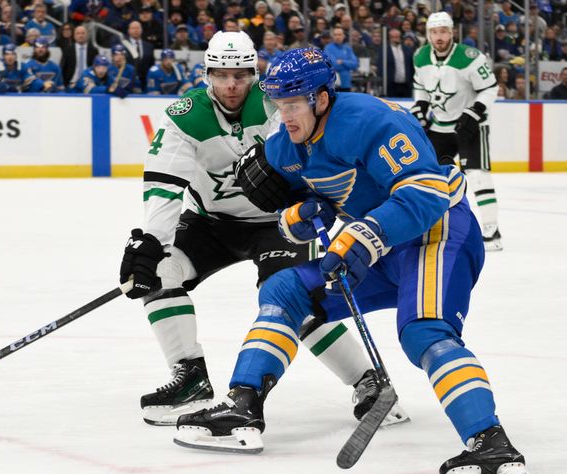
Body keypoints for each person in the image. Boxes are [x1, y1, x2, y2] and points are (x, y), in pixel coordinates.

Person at [175, 48, 532, 474]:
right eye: (278, 104)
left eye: (292, 104)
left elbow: (424, 191)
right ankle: (242, 406)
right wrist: (301, 216)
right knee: (285, 290)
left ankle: (492, 446)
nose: (283, 115)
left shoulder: (375, 121)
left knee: (423, 331)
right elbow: (316, 200)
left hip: (437, 233)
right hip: (381, 242)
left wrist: (362, 234)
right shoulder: (285, 144)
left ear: (322, 98)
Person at [118, 33, 407, 427]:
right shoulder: (184, 115)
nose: (232, 85)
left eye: (240, 75)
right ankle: (191, 378)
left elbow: (298, 150)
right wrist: (151, 241)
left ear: (254, 74)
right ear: (207, 74)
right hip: (210, 223)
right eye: (222, 75)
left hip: (277, 223)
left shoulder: (275, 102)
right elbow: (164, 183)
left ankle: (368, 381)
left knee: (294, 302)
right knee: (156, 273)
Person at [410, 12, 502, 251]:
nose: (439, 37)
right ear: (428, 34)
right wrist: (420, 106)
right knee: (432, 176)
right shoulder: (420, 56)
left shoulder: (470, 57)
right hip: (440, 126)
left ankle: (492, 231)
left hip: (470, 126)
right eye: (434, 32)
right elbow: (420, 86)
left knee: (477, 174)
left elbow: (491, 88)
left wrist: (475, 112)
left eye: (443, 32)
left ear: (452, 33)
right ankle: (437, 229)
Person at [377, 28, 414, 97]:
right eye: (392, 37)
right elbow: (380, 67)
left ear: (400, 38)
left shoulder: (407, 50)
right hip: (390, 86)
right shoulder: (384, 50)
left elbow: (411, 66)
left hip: (406, 85)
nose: (394, 39)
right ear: (389, 38)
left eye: (396, 37)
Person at [323, 27, 358, 92]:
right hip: (334, 84)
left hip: (346, 84)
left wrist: (342, 61)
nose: (337, 37)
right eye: (335, 35)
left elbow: (355, 64)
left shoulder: (348, 48)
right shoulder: (328, 48)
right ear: (332, 36)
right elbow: (333, 65)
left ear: (343, 36)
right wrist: (347, 65)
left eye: (339, 35)